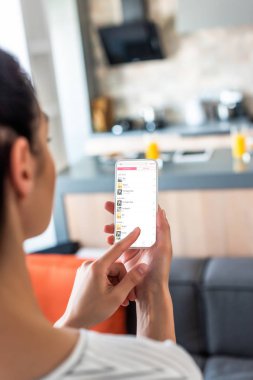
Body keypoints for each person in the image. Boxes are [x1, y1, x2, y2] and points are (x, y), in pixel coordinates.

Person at [0, 48, 202, 380]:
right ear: (22, 167)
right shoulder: (162, 371)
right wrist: (153, 295)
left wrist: (70, 321)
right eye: (47, 140)